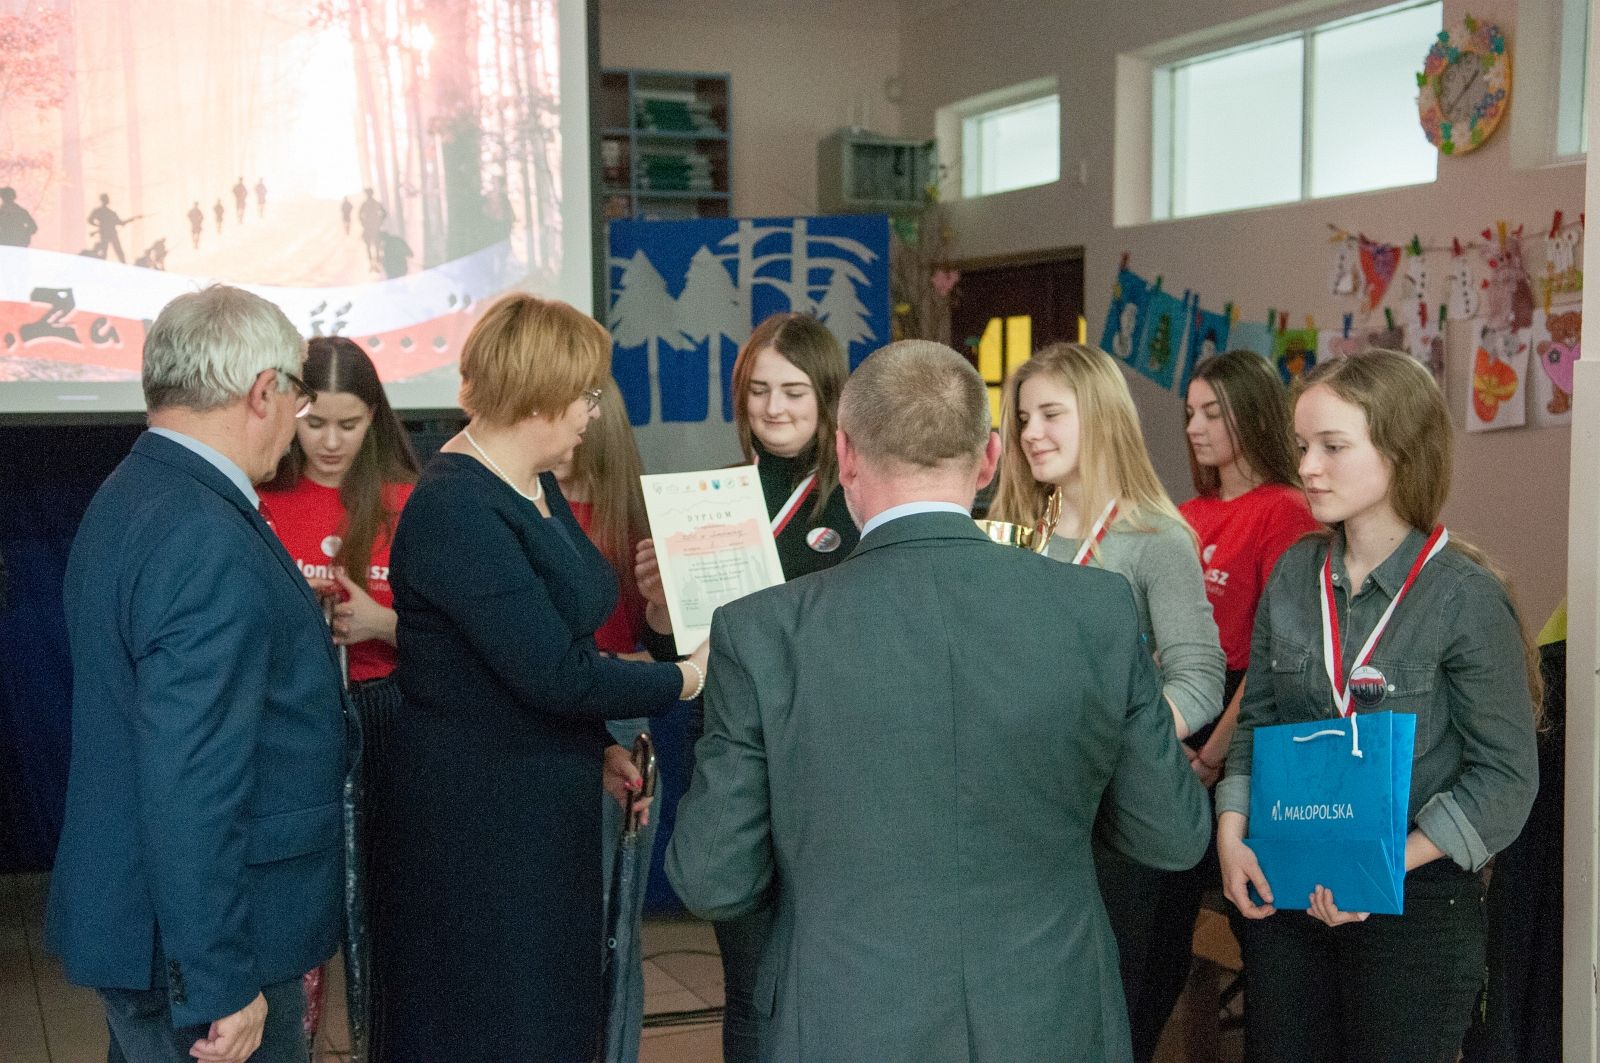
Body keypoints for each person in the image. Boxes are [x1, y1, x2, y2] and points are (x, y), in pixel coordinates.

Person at [668, 339, 1210, 1063]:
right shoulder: (1097, 610)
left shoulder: (761, 632)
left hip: (844, 1017)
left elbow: (712, 876)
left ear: (845, 454)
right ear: (989, 458)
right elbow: (1171, 833)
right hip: (1051, 1013)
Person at [373, 292, 710, 1061]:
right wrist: (686, 677)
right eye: (586, 393)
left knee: (552, 1015)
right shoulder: (456, 505)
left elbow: (552, 639)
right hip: (481, 815)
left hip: (542, 794)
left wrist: (597, 745)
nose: (595, 410)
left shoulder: (532, 479)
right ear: (539, 397)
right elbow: (556, 672)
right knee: (499, 1022)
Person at [46, 284, 345, 1063]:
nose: (297, 420)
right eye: (298, 396)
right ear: (264, 391)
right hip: (207, 948)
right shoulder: (204, 531)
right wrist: (218, 979)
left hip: (150, 924)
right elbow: (194, 774)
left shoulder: (134, 491)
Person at [1217, 349, 1540, 1063]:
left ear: (1400, 451)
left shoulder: (1463, 595)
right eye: (1303, 446)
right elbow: (1257, 722)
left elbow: (1506, 778)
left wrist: (1388, 864)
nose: (1307, 467)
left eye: (1333, 446)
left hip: (1414, 905)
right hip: (1290, 888)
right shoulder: (1294, 574)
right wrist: (1232, 832)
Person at [637, 310, 859, 1063]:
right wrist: (661, 604)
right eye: (759, 390)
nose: (774, 407)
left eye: (794, 391)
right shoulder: (715, 498)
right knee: (750, 978)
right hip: (732, 756)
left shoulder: (858, 498)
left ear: (828, 396)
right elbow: (676, 650)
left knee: (832, 974)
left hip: (830, 764)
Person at [989, 341, 1225, 1028]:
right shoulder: (1008, 537)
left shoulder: (1154, 537)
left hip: (1114, 814)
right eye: (1023, 418)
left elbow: (1200, 678)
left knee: (1109, 1003)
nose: (1032, 433)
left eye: (1051, 414)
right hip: (1023, 807)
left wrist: (1122, 745)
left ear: (1100, 416)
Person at [1128, 350, 1322, 1060]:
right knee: (1154, 919)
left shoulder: (1284, 509)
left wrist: (1214, 752)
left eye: (1213, 412)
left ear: (1253, 415)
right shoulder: (1185, 514)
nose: (1195, 426)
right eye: (1190, 413)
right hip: (1177, 714)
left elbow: (1276, 649)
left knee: (1254, 928)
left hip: (1241, 721)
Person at [260, 335, 420, 1059]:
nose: (329, 442)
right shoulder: (261, 495)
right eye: (313, 421)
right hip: (293, 722)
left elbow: (462, 634)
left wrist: (382, 622)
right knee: (299, 910)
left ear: (374, 418)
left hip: (388, 717)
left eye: (348, 424)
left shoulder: (407, 502)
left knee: (390, 911)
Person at [553, 378, 679, 1063]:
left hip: (619, 720)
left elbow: (660, 650)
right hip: (544, 719)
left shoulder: (635, 517)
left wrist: (651, 626)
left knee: (614, 921)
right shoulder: (516, 504)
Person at [88, 193, 127, 262]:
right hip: (110, 234)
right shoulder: (110, 213)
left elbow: (90, 220)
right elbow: (120, 222)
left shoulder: (102, 211)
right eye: (107, 199)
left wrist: (99, 226)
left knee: (106, 251)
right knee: (112, 251)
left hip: (106, 233)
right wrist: (98, 226)